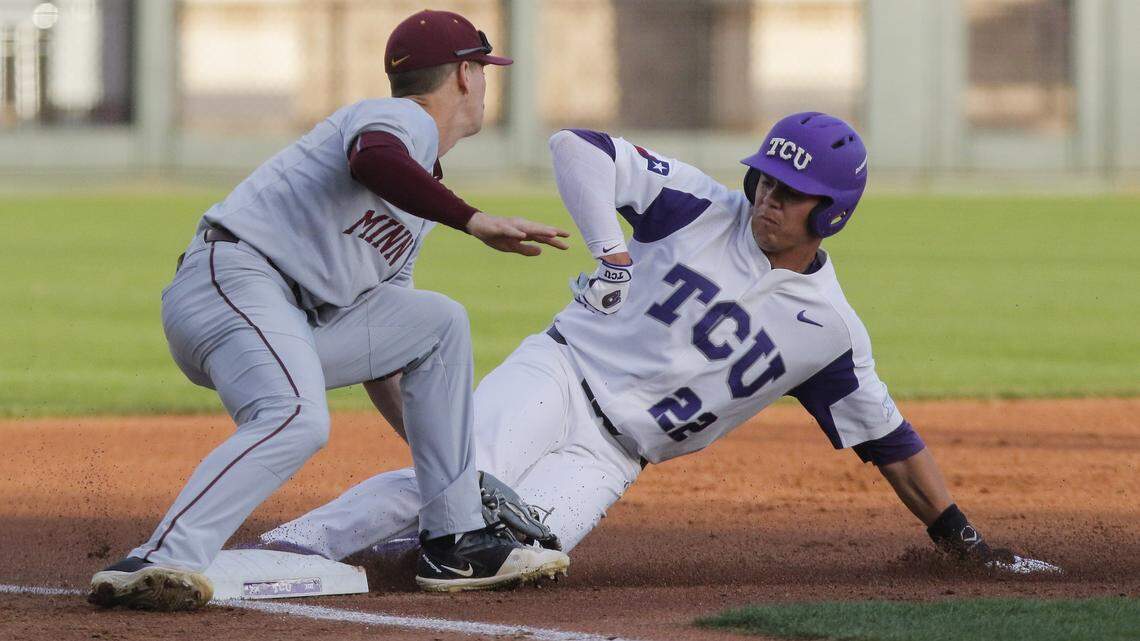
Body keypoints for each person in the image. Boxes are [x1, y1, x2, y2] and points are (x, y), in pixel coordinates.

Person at [257, 112, 1058, 576]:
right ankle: (281, 549)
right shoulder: (697, 207)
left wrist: (961, 537)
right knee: (469, 477)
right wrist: (610, 249)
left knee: (522, 555)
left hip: (613, 458)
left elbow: (890, 441)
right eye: (766, 182)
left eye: (791, 194)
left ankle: (390, 559)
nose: (768, 199)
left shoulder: (830, 332)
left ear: (833, 213)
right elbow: (577, 148)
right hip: (562, 372)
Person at [87, 9, 573, 611]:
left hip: (281, 317)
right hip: (236, 281)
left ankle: (457, 538)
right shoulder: (400, 119)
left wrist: (455, 480)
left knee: (437, 323)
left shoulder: (417, 194)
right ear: (467, 77)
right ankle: (162, 558)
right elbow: (372, 160)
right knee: (296, 415)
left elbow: (390, 358)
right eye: (482, 71)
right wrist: (473, 220)